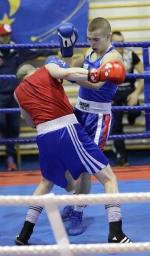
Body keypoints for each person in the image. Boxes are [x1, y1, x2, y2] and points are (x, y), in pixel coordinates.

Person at [13, 59, 131, 245]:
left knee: (45, 182)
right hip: (66, 129)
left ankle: (24, 234)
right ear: (35, 70)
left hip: (43, 136)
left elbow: (29, 121)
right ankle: (116, 233)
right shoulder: (46, 69)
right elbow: (68, 74)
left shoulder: (18, 93)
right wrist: (98, 74)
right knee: (108, 178)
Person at [57, 18, 124, 235]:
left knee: (86, 168)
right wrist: (66, 50)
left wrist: (71, 77)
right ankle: (76, 200)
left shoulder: (113, 57)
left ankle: (77, 213)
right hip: (79, 112)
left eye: (96, 39)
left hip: (98, 118)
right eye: (89, 39)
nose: (92, 43)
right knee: (70, 161)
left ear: (107, 36)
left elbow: (95, 85)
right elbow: (70, 67)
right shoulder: (89, 52)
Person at [0, 24, 57, 171]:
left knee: (14, 128)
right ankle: (4, 134)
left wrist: (54, 51)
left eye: (7, 35)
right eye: (3, 35)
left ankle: (10, 157)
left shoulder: (18, 49)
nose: (5, 37)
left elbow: (35, 52)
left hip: (15, 94)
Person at [110, 31, 144, 166]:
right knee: (115, 124)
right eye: (117, 42)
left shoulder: (130, 54)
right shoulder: (105, 56)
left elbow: (144, 74)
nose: (120, 45)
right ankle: (121, 156)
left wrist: (136, 93)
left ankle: (131, 115)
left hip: (129, 89)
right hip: (112, 90)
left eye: (122, 41)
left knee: (135, 110)